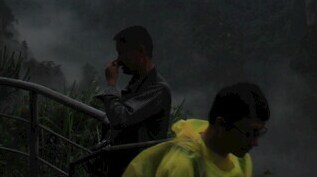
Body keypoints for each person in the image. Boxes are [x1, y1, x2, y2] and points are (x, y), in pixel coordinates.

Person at [122, 82, 269, 177]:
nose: (255, 142)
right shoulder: (184, 165)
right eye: (249, 133)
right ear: (221, 124)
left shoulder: (241, 160)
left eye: (258, 133)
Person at [93, 26, 171, 177]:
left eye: (122, 53)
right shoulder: (138, 82)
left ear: (141, 51)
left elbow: (121, 118)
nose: (118, 60)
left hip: (139, 170)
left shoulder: (158, 89)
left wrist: (111, 85)